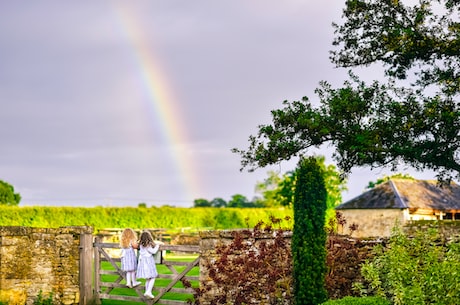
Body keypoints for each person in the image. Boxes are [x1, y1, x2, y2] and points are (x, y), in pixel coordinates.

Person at [136, 230, 161, 299]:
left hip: (142, 263)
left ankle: (147, 292)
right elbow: (153, 251)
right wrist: (157, 246)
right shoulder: (148, 245)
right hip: (148, 262)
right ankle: (148, 291)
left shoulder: (141, 245)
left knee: (148, 279)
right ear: (149, 237)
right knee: (153, 277)